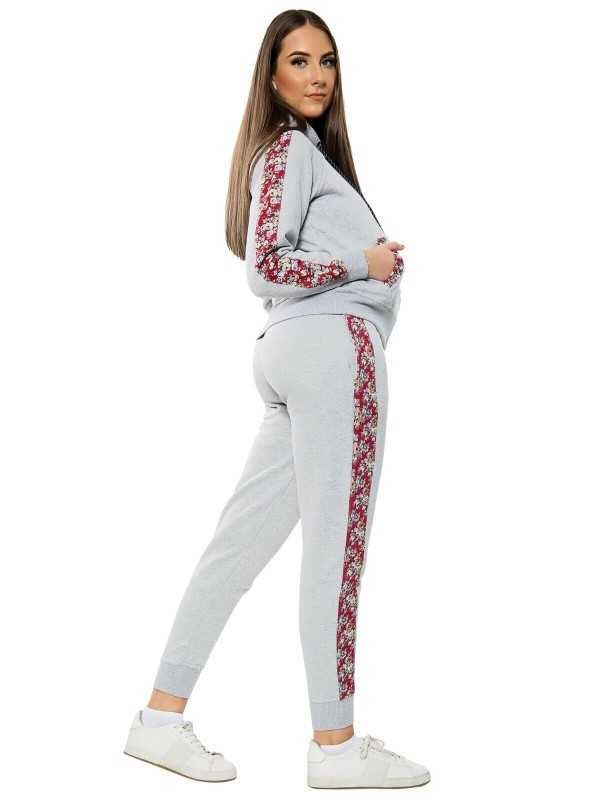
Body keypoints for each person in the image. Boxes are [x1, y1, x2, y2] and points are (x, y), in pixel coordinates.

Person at [123, 9, 431, 790]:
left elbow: (271, 260)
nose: (318, 75)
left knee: (235, 546)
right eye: (299, 60)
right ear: (271, 75)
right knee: (337, 550)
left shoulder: (295, 153)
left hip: (291, 353)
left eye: (327, 60)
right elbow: (266, 265)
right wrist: (365, 262)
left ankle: (159, 719)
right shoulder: (291, 149)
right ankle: (336, 745)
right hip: (332, 351)